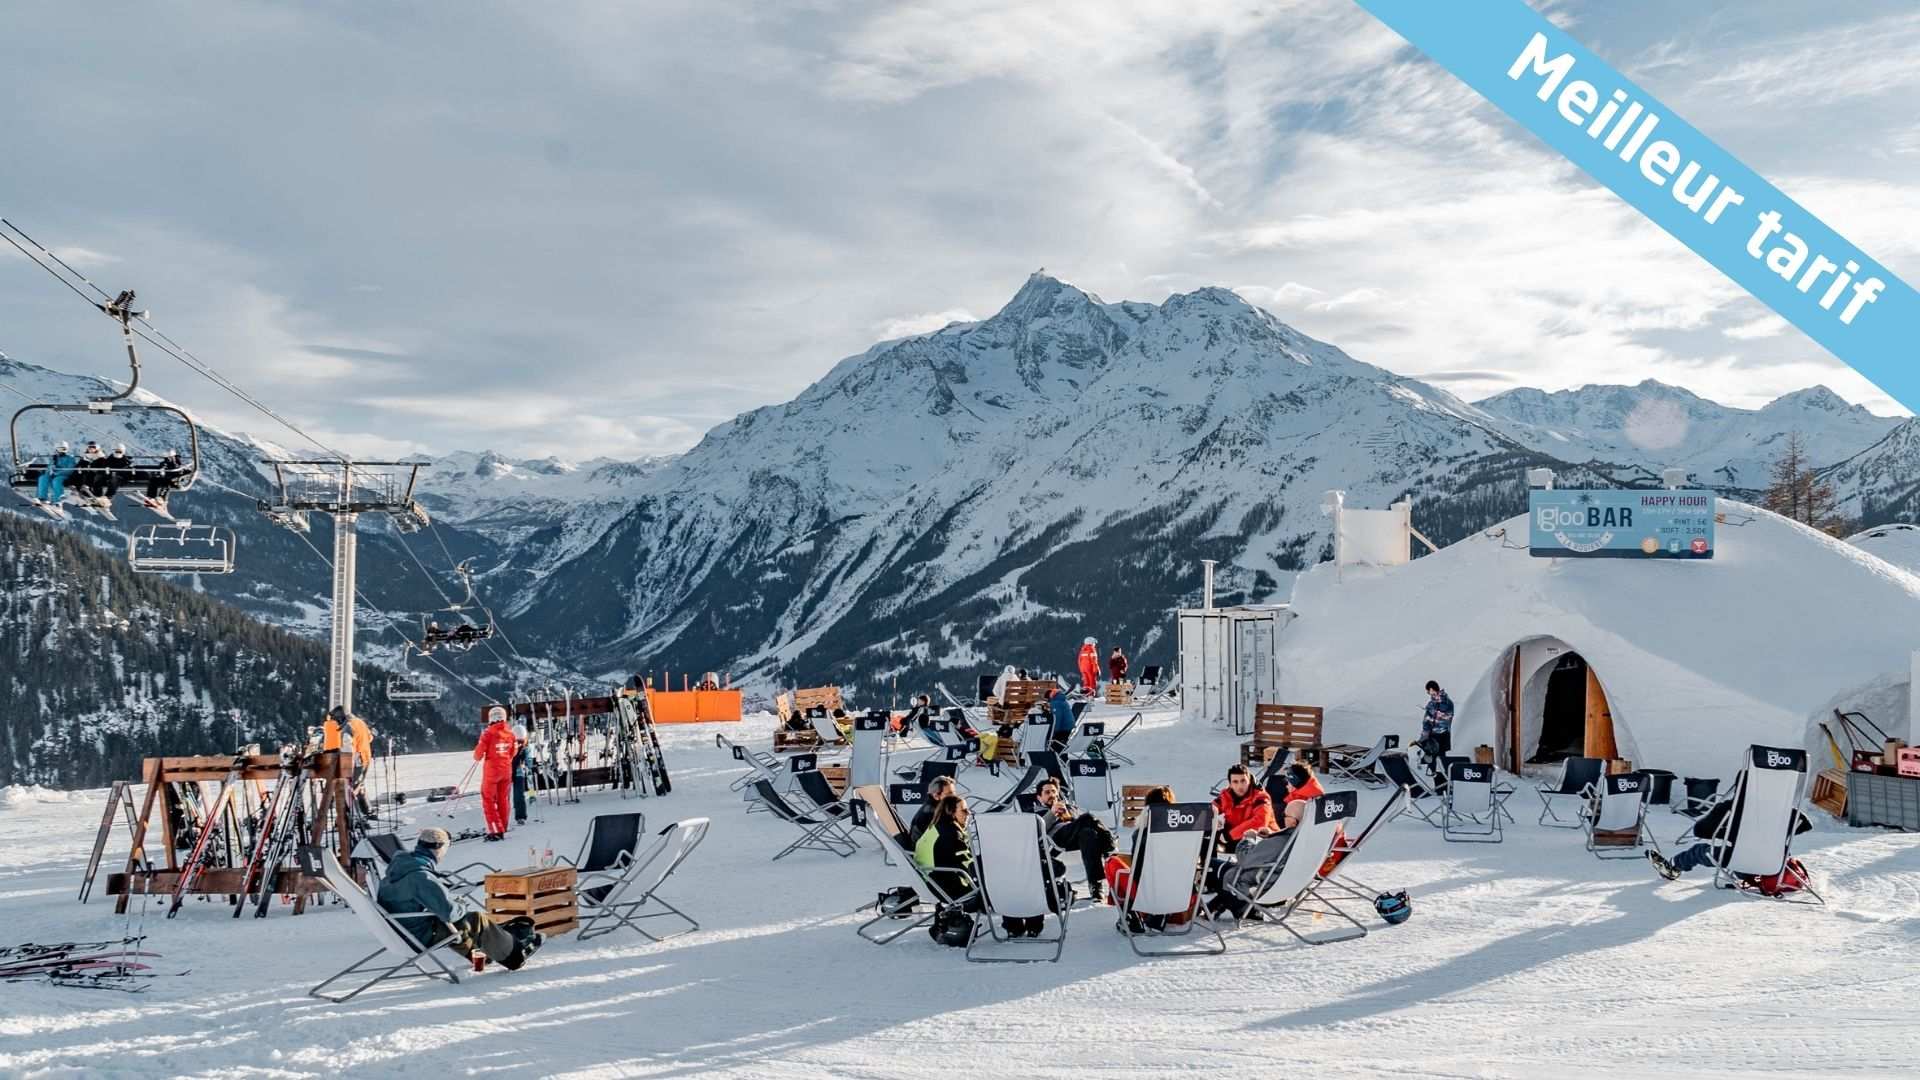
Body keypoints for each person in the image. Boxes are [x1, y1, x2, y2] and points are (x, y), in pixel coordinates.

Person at [378, 827, 541, 969]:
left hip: (399, 931)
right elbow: (449, 912)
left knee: (459, 924)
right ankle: (515, 956)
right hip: (417, 936)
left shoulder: (398, 868)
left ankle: (483, 956)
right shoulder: (420, 876)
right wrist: (460, 903)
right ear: (439, 849)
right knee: (475, 919)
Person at [1647, 795, 1813, 880]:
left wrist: (1726, 832)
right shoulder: (1784, 810)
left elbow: (1700, 831)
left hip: (1743, 865)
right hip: (1776, 863)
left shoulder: (1730, 808)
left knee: (1699, 850)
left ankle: (1673, 867)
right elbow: (1806, 825)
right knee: (1751, 849)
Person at [1035, 776, 1116, 903]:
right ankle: (1109, 844)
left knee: (1088, 833)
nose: (1052, 795)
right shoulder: (1036, 813)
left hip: (1075, 838)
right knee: (1088, 817)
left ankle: (1095, 886)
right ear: (1039, 798)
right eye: (1047, 792)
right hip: (1055, 840)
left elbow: (1080, 822)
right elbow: (1036, 831)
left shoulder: (1070, 807)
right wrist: (1052, 813)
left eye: (1054, 791)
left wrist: (1069, 815)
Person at [914, 794, 978, 910]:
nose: (968, 813)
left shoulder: (937, 828)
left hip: (935, 883)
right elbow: (967, 864)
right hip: (948, 888)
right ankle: (1014, 923)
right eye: (963, 810)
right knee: (997, 887)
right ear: (951, 813)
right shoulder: (950, 833)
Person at [473, 707, 519, 841]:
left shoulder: (488, 733)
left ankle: (495, 830)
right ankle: (502, 827)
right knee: (503, 799)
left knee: (488, 800)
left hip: (492, 771)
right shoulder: (510, 733)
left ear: (491, 718)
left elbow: (478, 753)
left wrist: (478, 756)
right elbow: (513, 752)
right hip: (506, 770)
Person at [1211, 763, 1279, 851]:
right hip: (1238, 839)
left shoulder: (1261, 797)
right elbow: (1210, 809)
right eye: (1235, 782)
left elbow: (1260, 821)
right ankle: (1204, 862)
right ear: (1230, 784)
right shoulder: (1225, 796)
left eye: (1243, 781)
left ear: (1249, 780)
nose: (1240, 786)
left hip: (1265, 840)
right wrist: (1214, 819)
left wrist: (1229, 835)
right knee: (1207, 835)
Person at [909, 776, 958, 842]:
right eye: (949, 793)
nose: (954, 796)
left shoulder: (937, 805)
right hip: (924, 849)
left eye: (954, 792)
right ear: (936, 796)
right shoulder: (932, 813)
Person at [1420, 680, 1455, 759]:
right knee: (1442, 760)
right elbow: (1448, 718)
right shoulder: (1449, 702)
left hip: (1434, 736)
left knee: (1431, 760)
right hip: (1445, 734)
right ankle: (1442, 771)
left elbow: (1427, 721)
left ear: (1432, 689)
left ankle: (1434, 771)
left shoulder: (1433, 704)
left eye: (1428, 691)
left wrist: (1423, 738)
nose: (1428, 693)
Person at [347, 711, 375, 787]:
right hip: (366, 755)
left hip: (357, 755)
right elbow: (370, 738)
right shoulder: (362, 723)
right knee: (359, 780)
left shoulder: (349, 725)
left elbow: (349, 741)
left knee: (351, 780)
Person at [1047, 683, 1076, 751]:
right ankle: (1062, 755)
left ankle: (1055, 756)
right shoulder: (1061, 700)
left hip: (1063, 728)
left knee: (1054, 745)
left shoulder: (1055, 703)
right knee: (1061, 744)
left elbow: (1057, 719)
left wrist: (1053, 732)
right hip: (1068, 726)